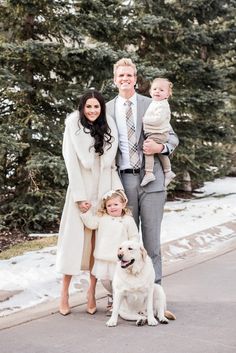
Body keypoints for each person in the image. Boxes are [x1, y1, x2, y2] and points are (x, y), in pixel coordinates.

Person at [106, 58, 179, 285]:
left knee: (151, 241)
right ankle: (125, 294)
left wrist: (161, 147)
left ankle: (155, 293)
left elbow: (173, 138)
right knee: (126, 243)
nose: (125, 79)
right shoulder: (107, 109)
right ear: (115, 80)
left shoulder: (152, 103)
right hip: (123, 182)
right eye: (121, 76)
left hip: (152, 180)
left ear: (135, 79)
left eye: (129, 75)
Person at [56, 89, 123, 316]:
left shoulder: (109, 127)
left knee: (97, 247)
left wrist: (115, 195)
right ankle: (64, 293)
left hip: (103, 192)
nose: (93, 111)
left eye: (96, 107)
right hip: (81, 192)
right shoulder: (73, 127)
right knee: (74, 245)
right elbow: (70, 163)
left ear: (101, 108)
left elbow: (111, 166)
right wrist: (80, 197)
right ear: (82, 108)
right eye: (88, 107)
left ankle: (91, 292)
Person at [80, 189, 139, 300]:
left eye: (116, 204)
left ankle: (118, 299)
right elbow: (91, 224)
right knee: (105, 281)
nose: (112, 207)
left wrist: (132, 247)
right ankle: (112, 295)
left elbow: (134, 236)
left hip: (119, 258)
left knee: (119, 280)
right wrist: (85, 213)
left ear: (123, 204)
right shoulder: (102, 218)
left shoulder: (127, 220)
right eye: (109, 205)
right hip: (103, 257)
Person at [140, 77, 176, 187]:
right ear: (150, 92)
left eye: (161, 90)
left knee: (148, 149)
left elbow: (158, 119)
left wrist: (145, 120)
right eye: (155, 89)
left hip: (158, 133)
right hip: (156, 132)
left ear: (167, 94)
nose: (157, 91)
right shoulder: (154, 103)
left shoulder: (162, 105)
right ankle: (168, 171)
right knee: (161, 154)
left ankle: (149, 173)